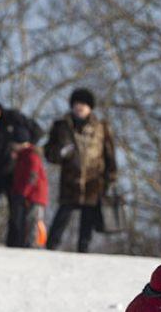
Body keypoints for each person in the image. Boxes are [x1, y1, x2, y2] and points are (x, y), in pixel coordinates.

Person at [43, 88, 117, 253]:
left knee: (88, 219)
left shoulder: (101, 128)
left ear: (90, 107)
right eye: (76, 103)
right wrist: (60, 152)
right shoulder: (61, 126)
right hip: (70, 180)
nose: (79, 107)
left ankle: (83, 252)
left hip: (93, 181)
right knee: (63, 215)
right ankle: (50, 247)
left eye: (83, 104)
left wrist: (111, 177)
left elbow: (109, 154)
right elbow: (48, 152)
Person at [0, 100, 42, 245]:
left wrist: (28, 146)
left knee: (16, 205)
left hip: (14, 170)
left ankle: (15, 241)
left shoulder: (12, 117)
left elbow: (37, 130)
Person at [7, 127, 47, 247]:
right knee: (22, 221)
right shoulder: (21, 156)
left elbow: (32, 176)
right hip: (26, 194)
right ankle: (21, 244)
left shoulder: (31, 155)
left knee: (32, 221)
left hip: (34, 196)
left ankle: (32, 245)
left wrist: (23, 193)